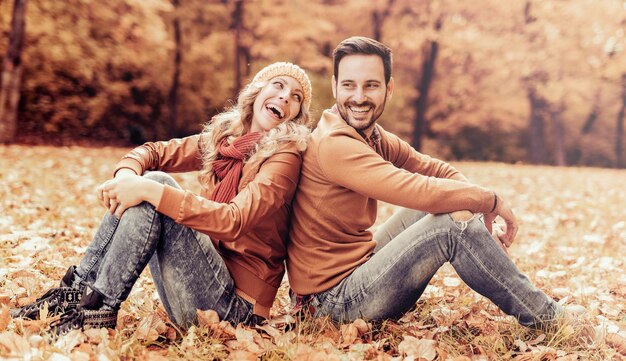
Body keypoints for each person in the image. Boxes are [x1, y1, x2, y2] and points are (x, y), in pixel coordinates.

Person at [12, 62, 312, 334]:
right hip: (201, 282)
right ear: (258, 90)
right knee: (148, 184)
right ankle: (75, 297)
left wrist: (150, 189)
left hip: (237, 311)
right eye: (279, 85)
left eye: (296, 96)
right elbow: (153, 152)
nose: (285, 97)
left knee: (154, 185)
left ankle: (96, 310)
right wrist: (126, 175)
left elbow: (234, 220)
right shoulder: (225, 139)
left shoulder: (284, 157)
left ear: (297, 114)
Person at [286, 36, 562, 329]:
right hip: (329, 303)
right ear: (334, 86)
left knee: (455, 213)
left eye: (371, 85)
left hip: (353, 269)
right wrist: (489, 201)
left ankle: (542, 311)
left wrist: (475, 214)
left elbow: (432, 168)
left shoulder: (370, 134)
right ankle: (549, 318)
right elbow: (419, 191)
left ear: (388, 89)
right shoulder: (334, 144)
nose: (358, 97)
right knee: (452, 227)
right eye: (349, 85)